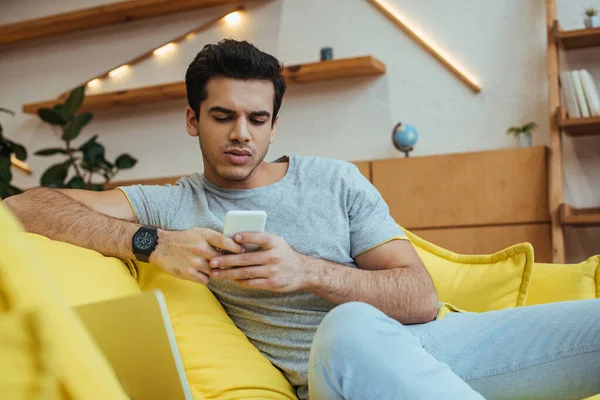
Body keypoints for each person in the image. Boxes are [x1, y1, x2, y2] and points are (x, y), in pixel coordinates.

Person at [5, 39, 599, 400]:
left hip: (438, 345)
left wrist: (306, 271)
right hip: (338, 373)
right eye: (223, 116)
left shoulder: (334, 179)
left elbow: (418, 298)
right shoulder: (171, 204)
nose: (242, 134)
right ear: (193, 120)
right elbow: (22, 207)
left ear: (273, 123)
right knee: (351, 330)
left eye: (258, 119)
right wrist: (148, 241)